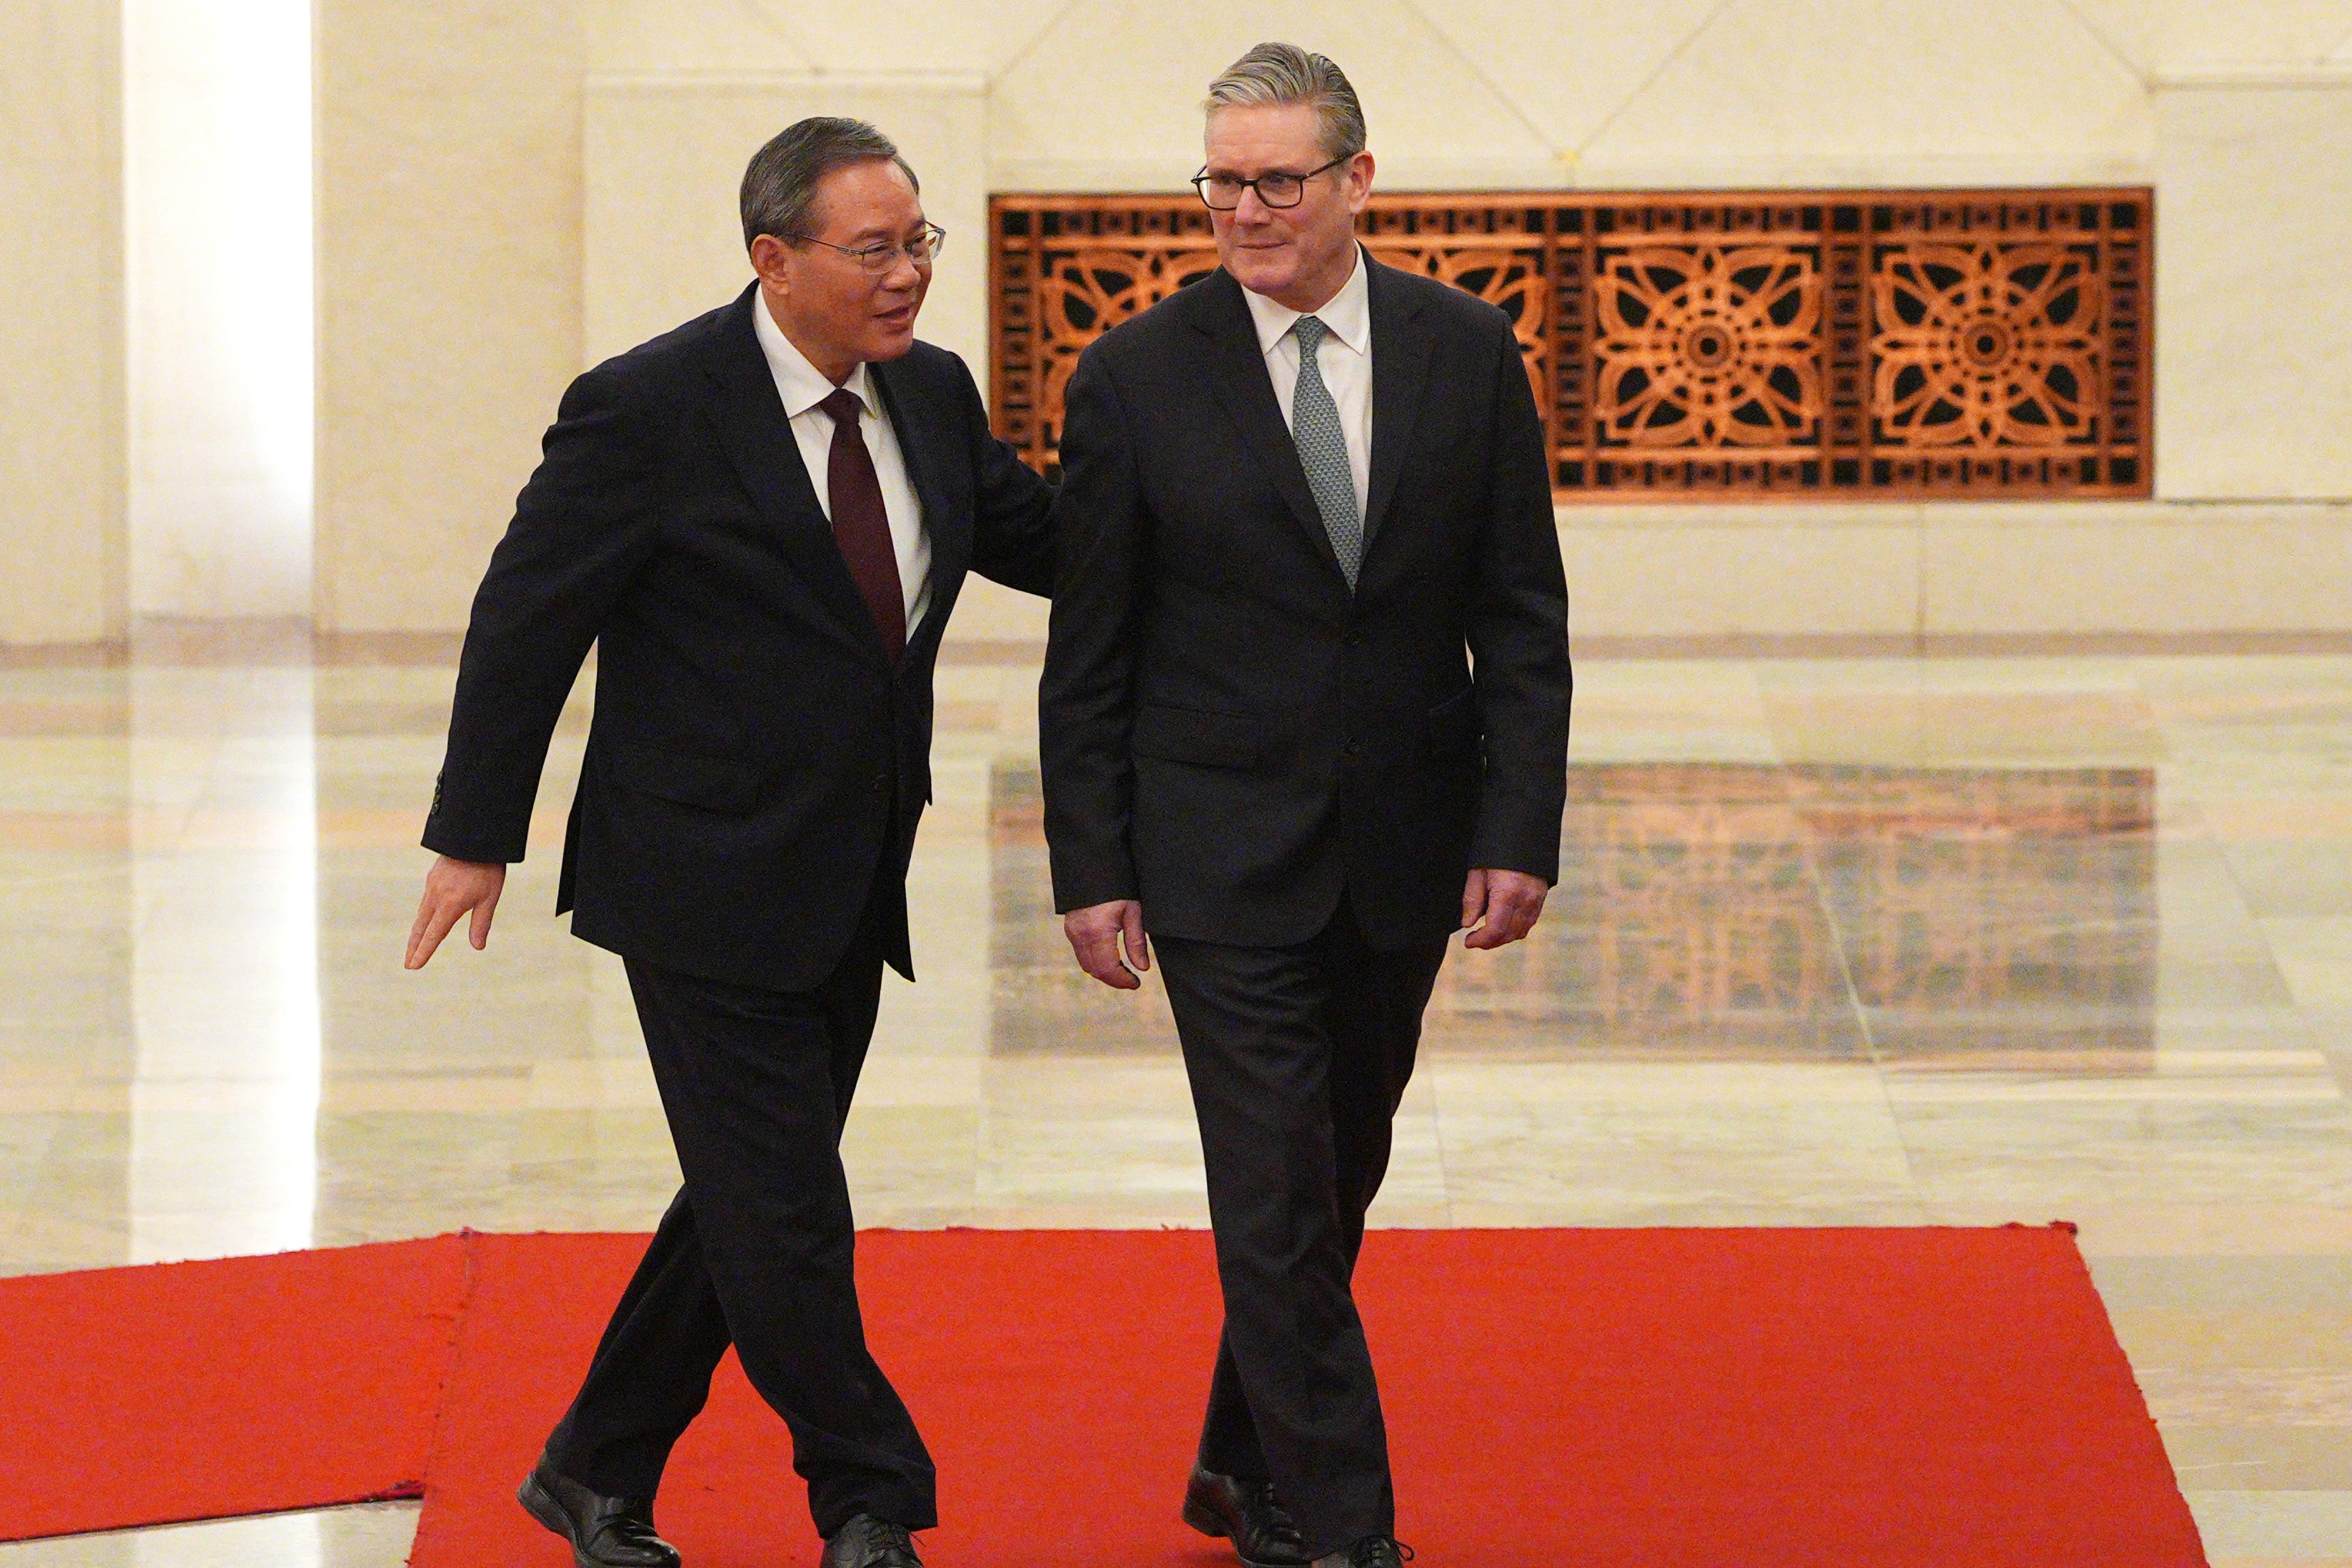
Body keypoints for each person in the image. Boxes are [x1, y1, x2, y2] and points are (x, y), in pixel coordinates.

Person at [403, 117, 1054, 1568]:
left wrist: (1235, 530)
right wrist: (474, 832)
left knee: (746, 1197)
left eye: (918, 242)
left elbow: (1045, 537)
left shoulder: (929, 395)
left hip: (852, 866)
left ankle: (594, 1461)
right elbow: (527, 618)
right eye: (874, 249)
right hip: (694, 872)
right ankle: (866, 1495)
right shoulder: (647, 407)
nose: (908, 276)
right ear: (775, 257)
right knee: (789, 1208)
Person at [1037, 42, 1572, 1568]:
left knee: (1329, 1182)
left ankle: (1235, 1461)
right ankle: (1349, 1527)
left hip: (1405, 848)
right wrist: (1093, 862)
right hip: (1215, 855)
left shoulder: (1466, 351)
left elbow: (1519, 616)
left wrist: (1516, 825)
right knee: (1271, 1191)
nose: (1246, 209)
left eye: (1277, 179)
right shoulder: (1136, 373)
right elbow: (1094, 654)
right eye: (1221, 181)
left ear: (1358, 180)